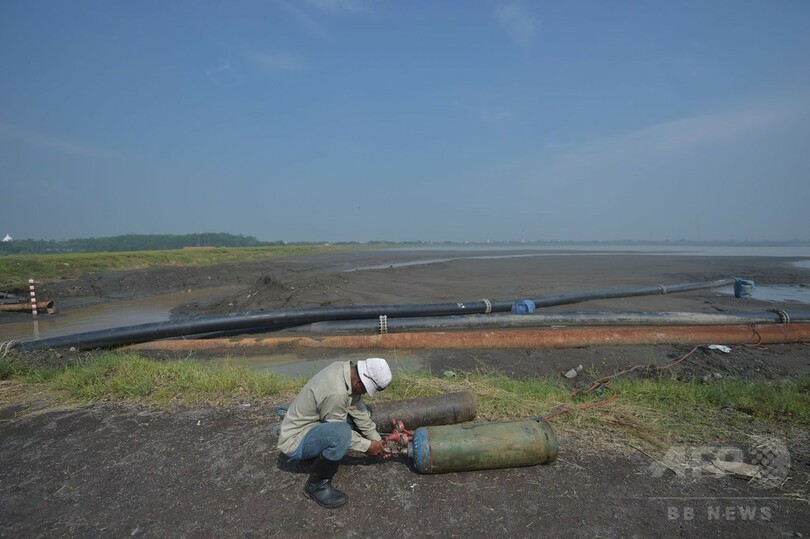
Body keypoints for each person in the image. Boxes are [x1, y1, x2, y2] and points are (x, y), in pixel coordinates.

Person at [277, 357, 392, 508]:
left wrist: (376, 439)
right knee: (342, 432)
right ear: (360, 383)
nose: (364, 394)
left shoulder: (345, 371)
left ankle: (315, 456)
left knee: (350, 421)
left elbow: (358, 410)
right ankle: (316, 486)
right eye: (365, 390)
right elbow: (338, 431)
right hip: (294, 441)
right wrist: (368, 446)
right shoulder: (336, 393)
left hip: (311, 426)